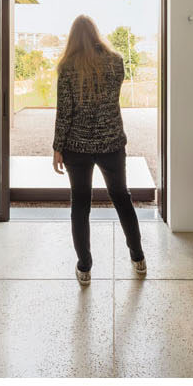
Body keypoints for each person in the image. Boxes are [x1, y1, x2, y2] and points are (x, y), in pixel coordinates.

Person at [52, 15, 146, 284]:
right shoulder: (116, 63)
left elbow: (64, 113)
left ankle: (84, 267)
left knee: (80, 205)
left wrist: (58, 147)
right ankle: (138, 258)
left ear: (72, 37)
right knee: (122, 198)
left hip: (76, 148)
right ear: (95, 34)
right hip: (111, 144)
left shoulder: (67, 68)